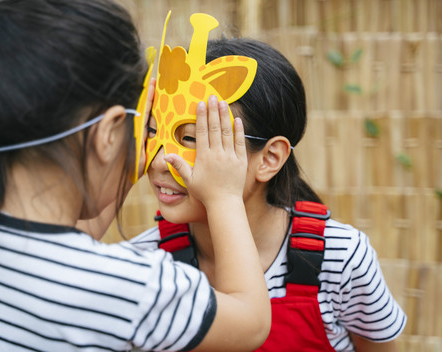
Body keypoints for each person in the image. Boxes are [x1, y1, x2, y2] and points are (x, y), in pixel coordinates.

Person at [0, 0, 271, 351]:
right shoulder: (127, 287)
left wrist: (123, 159)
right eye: (143, 128)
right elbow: (250, 322)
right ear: (107, 133)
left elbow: (65, 241)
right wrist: (223, 195)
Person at [133, 37, 407, 352]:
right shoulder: (143, 263)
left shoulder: (340, 259)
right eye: (153, 132)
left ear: (269, 158)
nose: (160, 161)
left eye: (192, 138)